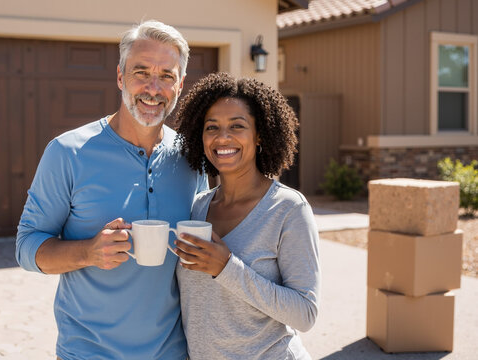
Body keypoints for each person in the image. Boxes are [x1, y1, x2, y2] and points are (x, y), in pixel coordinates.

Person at [16, 20, 207, 360]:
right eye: (141, 72)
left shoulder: (192, 157)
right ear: (120, 77)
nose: (153, 87)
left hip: (174, 353)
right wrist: (87, 252)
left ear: (179, 86)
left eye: (166, 75)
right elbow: (27, 247)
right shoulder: (67, 153)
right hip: (88, 353)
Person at [174, 72, 321, 360]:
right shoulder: (197, 208)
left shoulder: (289, 209)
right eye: (211, 127)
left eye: (237, 126)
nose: (222, 137)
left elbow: (305, 314)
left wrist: (227, 268)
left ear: (260, 136)